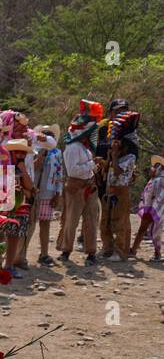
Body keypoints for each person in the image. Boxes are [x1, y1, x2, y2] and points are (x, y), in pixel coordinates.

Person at [59, 106, 100, 265]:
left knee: (91, 220)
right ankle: (66, 250)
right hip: (76, 187)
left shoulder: (83, 147)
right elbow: (73, 170)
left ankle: (91, 252)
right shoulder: (73, 148)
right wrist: (92, 164)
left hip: (89, 186)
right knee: (72, 220)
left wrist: (94, 166)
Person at [100, 111, 139, 261]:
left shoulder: (129, 158)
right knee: (106, 222)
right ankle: (108, 248)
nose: (114, 145)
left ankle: (120, 251)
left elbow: (117, 172)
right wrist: (108, 159)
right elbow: (107, 172)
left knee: (119, 222)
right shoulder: (115, 157)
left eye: (117, 142)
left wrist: (114, 157)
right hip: (110, 191)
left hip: (121, 192)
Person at [0, 137, 36, 276]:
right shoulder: (3, 166)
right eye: (18, 153)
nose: (21, 155)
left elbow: (30, 187)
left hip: (20, 207)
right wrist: (23, 190)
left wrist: (23, 171)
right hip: (4, 205)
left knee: (14, 236)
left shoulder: (22, 168)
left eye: (23, 153)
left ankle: (9, 265)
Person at [30, 126, 64, 267]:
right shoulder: (33, 150)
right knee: (29, 223)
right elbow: (33, 167)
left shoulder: (57, 153)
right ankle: (21, 254)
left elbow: (59, 174)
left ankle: (44, 253)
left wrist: (58, 193)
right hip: (33, 190)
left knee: (45, 223)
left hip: (48, 192)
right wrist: (41, 153)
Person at [131, 155, 164, 260]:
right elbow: (151, 186)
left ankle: (156, 252)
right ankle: (134, 250)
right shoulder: (158, 170)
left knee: (154, 228)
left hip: (158, 204)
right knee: (145, 226)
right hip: (151, 204)